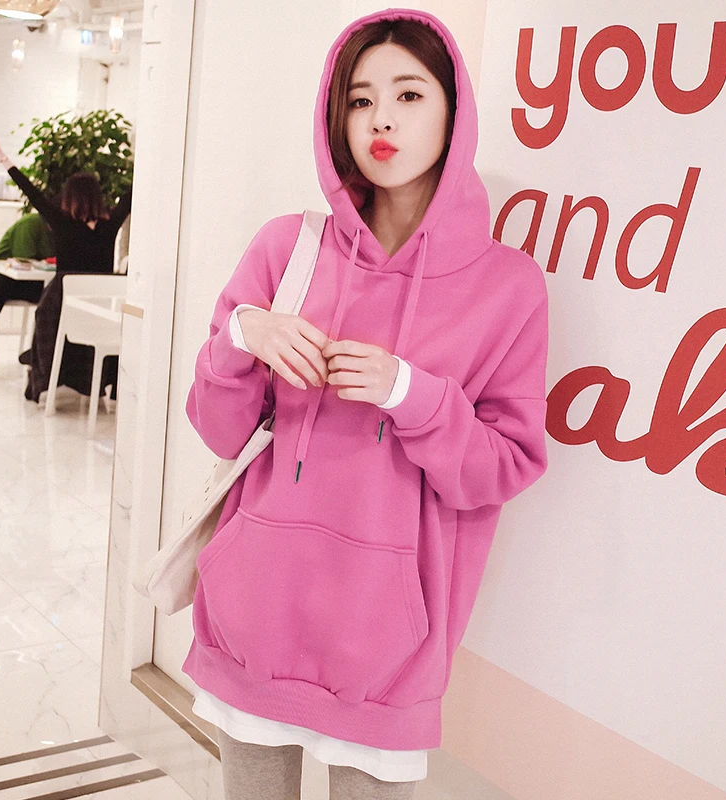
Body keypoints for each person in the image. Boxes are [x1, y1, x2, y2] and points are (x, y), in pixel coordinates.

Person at [184, 9, 549, 800]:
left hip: (388, 655)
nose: (381, 119)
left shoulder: (507, 287)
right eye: (359, 99)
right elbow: (218, 429)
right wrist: (241, 339)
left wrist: (411, 394)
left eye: (409, 95)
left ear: (455, 112)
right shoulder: (287, 248)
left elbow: (504, 467)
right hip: (253, 621)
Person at [0, 128, 132, 401]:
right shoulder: (110, 225)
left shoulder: (62, 222)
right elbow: (129, 196)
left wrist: (0, 154)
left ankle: (40, 369)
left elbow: (31, 192)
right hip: (99, 310)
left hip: (62, 309)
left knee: (45, 313)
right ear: (98, 197)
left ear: (70, 197)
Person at [0, 212, 54, 354]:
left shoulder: (65, 229)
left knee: (56, 297)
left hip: (38, 282)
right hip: (5, 277)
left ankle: (41, 354)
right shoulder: (31, 223)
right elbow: (23, 259)